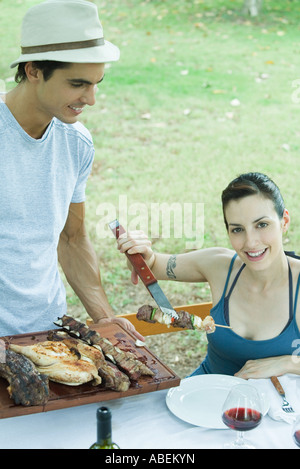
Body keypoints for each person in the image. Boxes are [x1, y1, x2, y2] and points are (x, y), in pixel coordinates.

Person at [0, 0, 143, 340]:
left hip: (47, 332)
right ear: (34, 70)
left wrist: (105, 317)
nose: (90, 99)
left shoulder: (76, 143)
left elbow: (72, 237)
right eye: (78, 84)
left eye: (97, 83)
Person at [117, 172, 300, 379]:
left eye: (262, 225)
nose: (250, 242)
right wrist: (140, 253)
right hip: (205, 393)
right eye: (237, 229)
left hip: (275, 406)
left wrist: (287, 363)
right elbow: (153, 265)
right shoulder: (219, 265)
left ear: (284, 221)